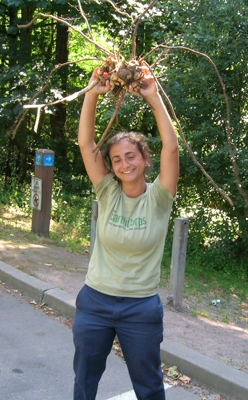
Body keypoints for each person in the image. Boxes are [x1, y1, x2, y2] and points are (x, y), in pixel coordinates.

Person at [73, 70, 179, 400]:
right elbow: (87, 143)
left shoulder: (160, 196)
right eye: (116, 159)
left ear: (145, 159)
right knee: (84, 381)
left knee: (149, 388)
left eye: (130, 156)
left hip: (141, 308)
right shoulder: (107, 191)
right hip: (95, 302)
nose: (123, 164)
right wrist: (93, 92)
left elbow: (172, 149)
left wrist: (153, 95)